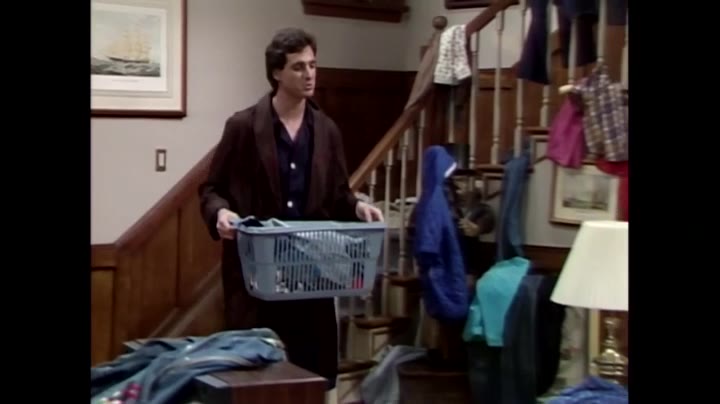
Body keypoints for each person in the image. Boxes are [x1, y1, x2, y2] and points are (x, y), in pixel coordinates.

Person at [197, 27, 384, 394]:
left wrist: (359, 206)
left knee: (311, 375)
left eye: (313, 65)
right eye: (298, 67)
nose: (309, 74)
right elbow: (211, 189)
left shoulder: (327, 130)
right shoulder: (243, 126)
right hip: (257, 276)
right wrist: (220, 213)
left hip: (311, 273)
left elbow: (339, 196)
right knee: (255, 379)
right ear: (276, 73)